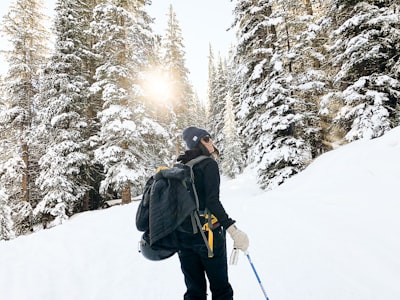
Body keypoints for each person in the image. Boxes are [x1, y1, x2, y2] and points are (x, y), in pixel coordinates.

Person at [176, 126, 249, 300]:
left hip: (183, 239)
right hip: (208, 236)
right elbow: (212, 201)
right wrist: (233, 229)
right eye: (207, 138)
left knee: (194, 291)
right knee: (221, 290)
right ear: (198, 143)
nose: (211, 141)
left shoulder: (180, 166)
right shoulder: (208, 164)